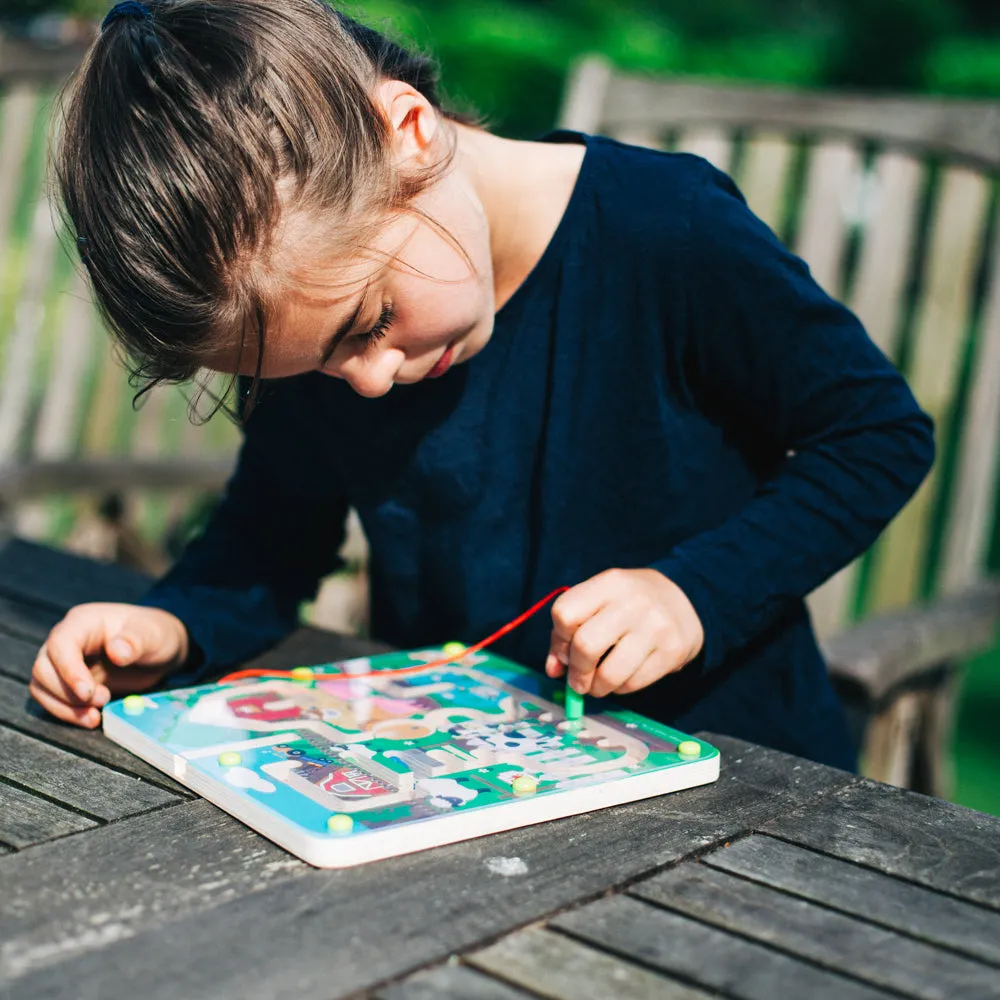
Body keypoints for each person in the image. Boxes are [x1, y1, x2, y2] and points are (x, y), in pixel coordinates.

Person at [30, 0, 935, 771]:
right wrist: (176, 627)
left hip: (740, 778)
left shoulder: (666, 232)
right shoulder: (315, 312)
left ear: (410, 133)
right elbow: (272, 534)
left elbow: (875, 433)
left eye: (370, 323)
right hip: (463, 779)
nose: (369, 383)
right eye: (319, 368)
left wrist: (693, 593)